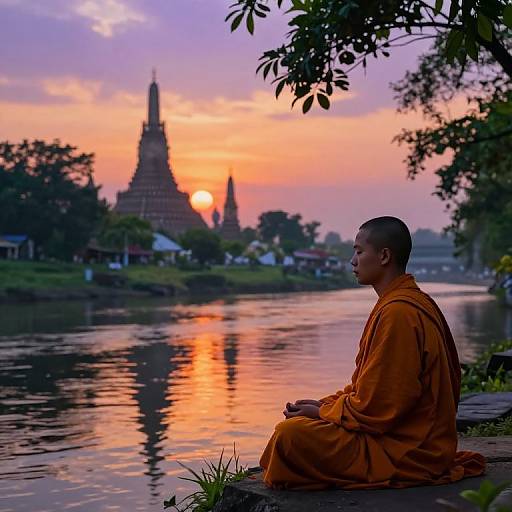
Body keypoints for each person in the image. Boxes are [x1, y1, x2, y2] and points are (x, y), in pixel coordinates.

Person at [259, 216, 485, 490]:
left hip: (408, 450)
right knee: (298, 426)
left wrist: (324, 413)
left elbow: (380, 408)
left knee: (290, 435)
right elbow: (369, 390)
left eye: (359, 251)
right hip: (397, 435)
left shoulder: (399, 312)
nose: (352, 261)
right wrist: (324, 405)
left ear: (384, 256)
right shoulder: (403, 302)